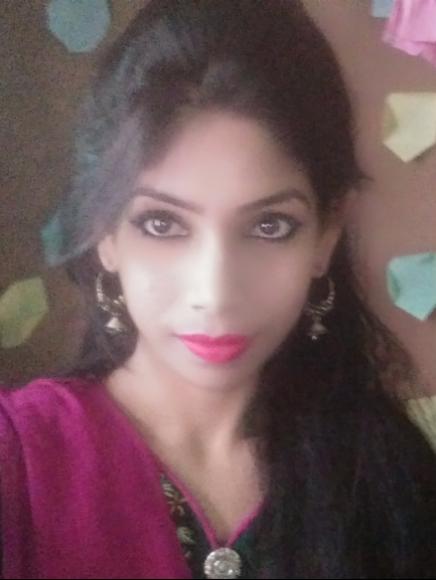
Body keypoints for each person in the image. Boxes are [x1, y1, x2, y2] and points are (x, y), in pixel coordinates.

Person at [1, 1, 436, 578]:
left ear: (326, 235)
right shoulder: (19, 458)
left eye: (270, 226)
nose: (216, 293)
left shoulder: (389, 471)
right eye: (161, 224)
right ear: (104, 234)